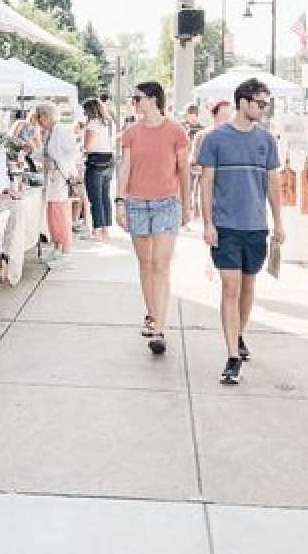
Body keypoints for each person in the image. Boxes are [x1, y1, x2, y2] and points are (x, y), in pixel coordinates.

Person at [197, 79, 285, 386]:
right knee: (230, 288)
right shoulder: (215, 139)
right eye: (261, 103)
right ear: (243, 102)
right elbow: (205, 183)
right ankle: (233, 356)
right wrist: (207, 223)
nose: (264, 109)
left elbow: (273, 185)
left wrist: (279, 223)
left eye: (266, 104)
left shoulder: (267, 140)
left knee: (248, 288)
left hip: (256, 227)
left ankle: (238, 334)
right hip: (226, 226)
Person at [116, 81, 190, 355]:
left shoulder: (175, 131)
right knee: (145, 263)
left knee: (161, 264)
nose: (134, 102)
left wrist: (186, 205)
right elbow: (125, 168)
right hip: (136, 203)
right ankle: (151, 314)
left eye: (137, 98)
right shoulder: (131, 133)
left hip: (167, 203)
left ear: (153, 99)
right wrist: (120, 201)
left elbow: (183, 169)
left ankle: (159, 328)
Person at [34, 103, 80, 269]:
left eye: (39, 117)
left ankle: (65, 252)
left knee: (60, 217)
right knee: (53, 218)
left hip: (60, 180)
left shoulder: (61, 130)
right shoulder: (50, 132)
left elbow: (73, 153)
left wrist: (56, 163)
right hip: (53, 181)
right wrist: (32, 151)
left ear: (46, 116)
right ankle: (58, 248)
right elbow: (45, 154)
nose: (38, 121)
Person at [190, 100, 233, 220]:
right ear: (213, 115)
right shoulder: (202, 136)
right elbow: (193, 163)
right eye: (223, 116)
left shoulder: (236, 137)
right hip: (209, 192)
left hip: (230, 193)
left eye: (229, 117)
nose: (227, 120)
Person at [81, 98, 116, 242]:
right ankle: (106, 229)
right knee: (104, 195)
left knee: (95, 196)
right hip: (108, 158)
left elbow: (87, 146)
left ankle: (96, 230)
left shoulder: (93, 123)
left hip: (95, 160)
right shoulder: (108, 122)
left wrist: (80, 148)